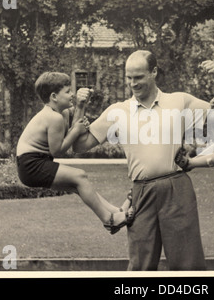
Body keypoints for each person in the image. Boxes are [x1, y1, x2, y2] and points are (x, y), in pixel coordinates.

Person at [72, 51, 214, 271]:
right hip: (141, 193)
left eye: (138, 77)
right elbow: (79, 145)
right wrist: (80, 107)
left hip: (177, 189)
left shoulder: (179, 101)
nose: (132, 83)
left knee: (188, 264)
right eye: (129, 78)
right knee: (140, 265)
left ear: (154, 72)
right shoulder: (118, 111)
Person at [16, 72, 133, 235]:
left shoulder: (61, 113)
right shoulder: (53, 117)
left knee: (78, 185)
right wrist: (77, 129)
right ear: (54, 96)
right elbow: (57, 150)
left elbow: (75, 119)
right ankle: (109, 220)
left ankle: (115, 211)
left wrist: (81, 105)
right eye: (68, 91)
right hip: (31, 164)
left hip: (35, 162)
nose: (72, 94)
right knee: (80, 176)